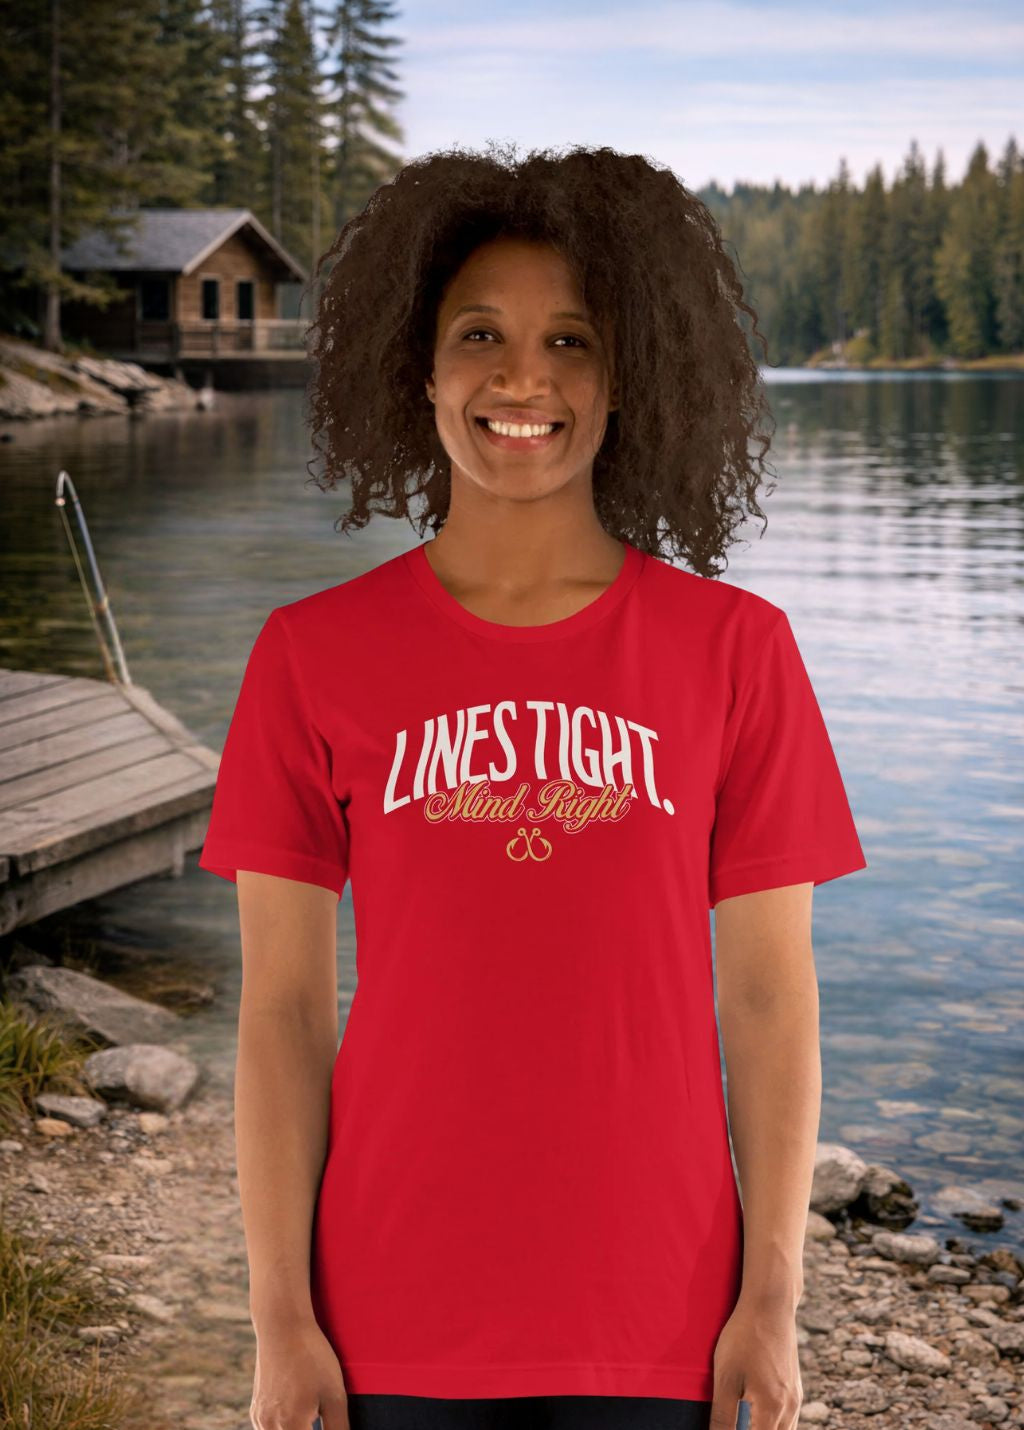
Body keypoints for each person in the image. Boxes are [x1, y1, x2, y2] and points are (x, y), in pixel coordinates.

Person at [198, 141, 867, 1430]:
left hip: (661, 1319)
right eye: (480, 335)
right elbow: (282, 1017)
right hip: (385, 1315)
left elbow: (771, 1001)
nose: (523, 377)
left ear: (632, 377)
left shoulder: (738, 654)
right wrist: (282, 1318)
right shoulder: (310, 657)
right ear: (419, 367)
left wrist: (770, 1306)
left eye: (572, 340)